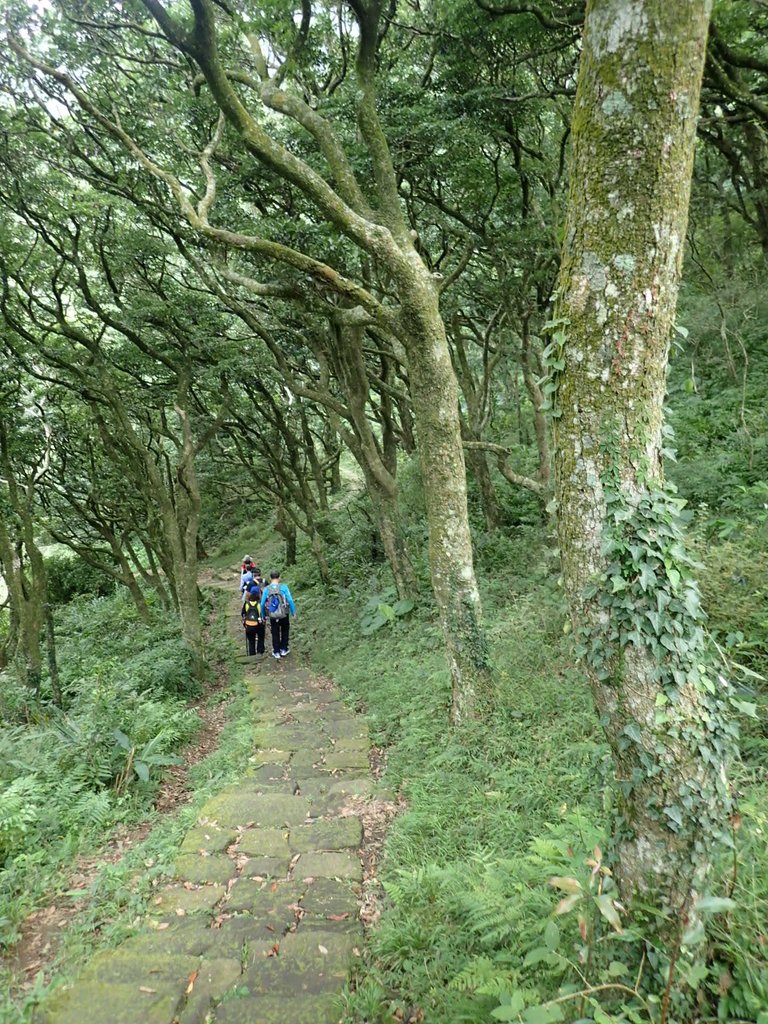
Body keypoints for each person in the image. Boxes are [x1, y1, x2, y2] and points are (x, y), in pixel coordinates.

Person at [260, 570, 296, 659]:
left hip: (273, 614)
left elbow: (262, 603)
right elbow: (290, 600)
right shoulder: (283, 587)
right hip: (284, 613)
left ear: (270, 578)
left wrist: (263, 615)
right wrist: (293, 612)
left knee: (275, 632)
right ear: (279, 578)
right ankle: (284, 649)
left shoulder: (267, 589)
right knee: (285, 630)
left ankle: (276, 651)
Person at [241, 584, 265, 656]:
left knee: (251, 640)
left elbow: (243, 614)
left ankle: (252, 653)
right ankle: (260, 651)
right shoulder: (259, 604)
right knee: (261, 637)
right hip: (258, 625)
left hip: (249, 625)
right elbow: (263, 614)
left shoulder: (246, 603)